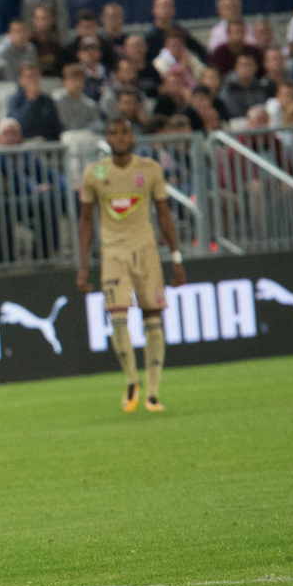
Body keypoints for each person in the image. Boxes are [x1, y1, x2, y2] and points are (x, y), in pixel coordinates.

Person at [77, 117, 187, 412]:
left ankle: (153, 393)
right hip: (113, 253)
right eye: (113, 132)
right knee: (117, 314)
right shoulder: (95, 173)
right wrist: (83, 265)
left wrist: (176, 258)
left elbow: (164, 214)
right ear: (107, 138)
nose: (120, 137)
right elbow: (85, 220)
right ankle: (131, 380)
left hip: (146, 250)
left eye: (125, 131)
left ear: (133, 136)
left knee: (153, 315)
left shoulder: (150, 169)